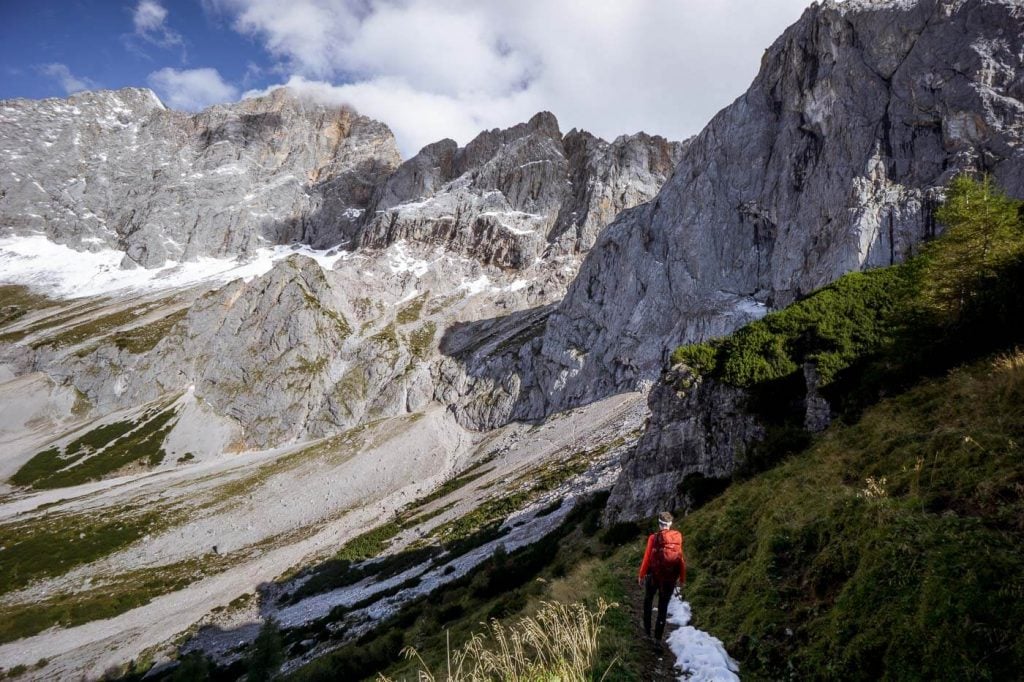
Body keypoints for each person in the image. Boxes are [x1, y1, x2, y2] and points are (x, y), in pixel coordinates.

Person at [637, 511, 686, 647]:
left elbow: (647, 558)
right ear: (670, 524)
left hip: (653, 576)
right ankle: (658, 639)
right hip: (669, 579)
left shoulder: (653, 538)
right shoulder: (678, 536)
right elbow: (680, 558)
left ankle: (647, 631)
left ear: (659, 523)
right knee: (663, 607)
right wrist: (682, 577)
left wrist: (641, 575)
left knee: (648, 600)